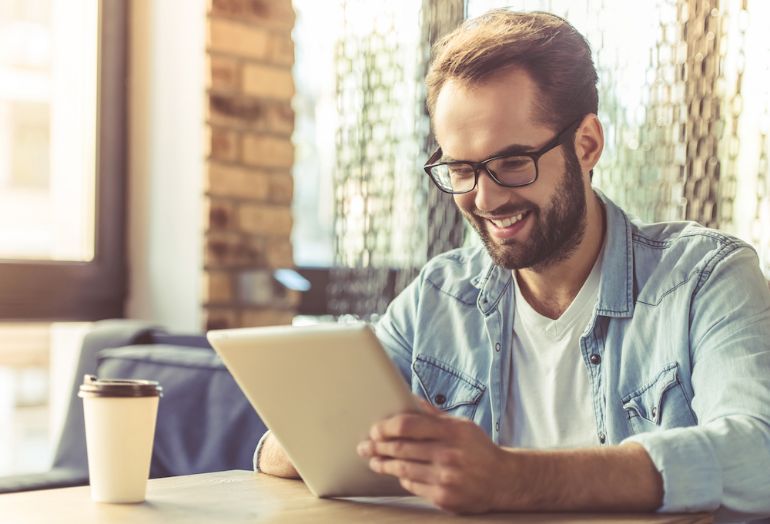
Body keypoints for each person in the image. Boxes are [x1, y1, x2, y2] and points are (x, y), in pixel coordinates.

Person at [255, 9, 770, 521]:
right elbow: (282, 450)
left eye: (512, 163)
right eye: (461, 169)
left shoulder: (705, 276)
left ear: (586, 144)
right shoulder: (440, 296)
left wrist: (515, 479)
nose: (485, 197)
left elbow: (758, 455)